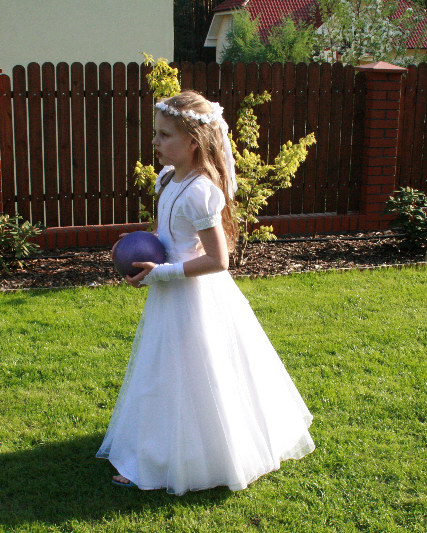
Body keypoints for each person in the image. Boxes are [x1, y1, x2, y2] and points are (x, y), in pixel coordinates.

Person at [96, 90, 314, 495]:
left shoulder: (200, 191)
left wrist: (163, 273)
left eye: (164, 135)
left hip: (195, 295)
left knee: (194, 370)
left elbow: (219, 259)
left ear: (193, 142)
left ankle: (198, 453)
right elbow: (168, 233)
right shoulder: (168, 178)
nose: (155, 142)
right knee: (164, 369)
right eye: (156, 133)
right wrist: (140, 243)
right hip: (170, 291)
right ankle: (159, 446)